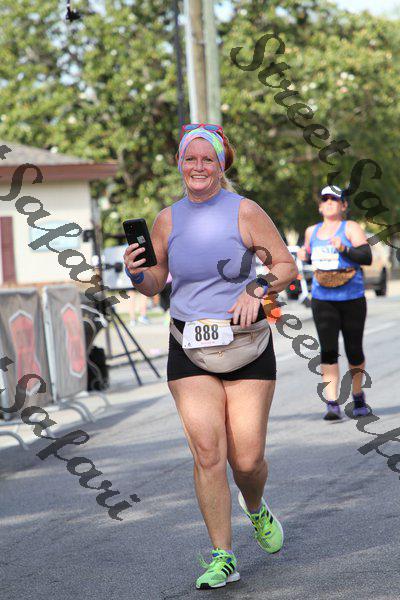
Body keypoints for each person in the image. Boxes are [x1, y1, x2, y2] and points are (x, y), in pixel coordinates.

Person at [124, 124, 297, 589]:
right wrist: (136, 273)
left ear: (221, 165)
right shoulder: (167, 220)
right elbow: (155, 282)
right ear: (180, 164)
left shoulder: (245, 211)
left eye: (208, 159)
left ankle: (255, 507)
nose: (198, 166)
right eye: (190, 158)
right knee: (207, 452)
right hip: (189, 347)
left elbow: (285, 265)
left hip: (246, 345)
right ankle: (223, 555)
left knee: (247, 461)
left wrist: (256, 289)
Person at [297, 185, 373, 421]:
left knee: (353, 349)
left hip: (351, 298)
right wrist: (304, 255)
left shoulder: (350, 228)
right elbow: (310, 256)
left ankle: (358, 396)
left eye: (334, 199)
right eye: (325, 199)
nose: (329, 202)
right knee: (328, 349)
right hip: (323, 299)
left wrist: (344, 248)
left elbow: (366, 257)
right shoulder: (311, 231)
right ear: (320, 206)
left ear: (344, 205)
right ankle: (332, 403)